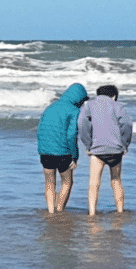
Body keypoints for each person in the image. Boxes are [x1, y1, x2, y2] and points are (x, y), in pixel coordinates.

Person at [78, 85, 133, 216]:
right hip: (115, 149)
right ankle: (120, 211)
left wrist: (88, 144)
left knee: (94, 183)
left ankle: (92, 212)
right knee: (116, 180)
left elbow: (82, 124)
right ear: (113, 96)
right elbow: (127, 124)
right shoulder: (118, 106)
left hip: (97, 150)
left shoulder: (89, 105)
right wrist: (124, 144)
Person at [36, 83, 89, 213]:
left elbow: (40, 129)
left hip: (45, 151)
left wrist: (42, 149)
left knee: (49, 183)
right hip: (63, 153)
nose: (82, 104)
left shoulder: (51, 107)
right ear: (78, 99)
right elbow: (71, 135)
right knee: (67, 182)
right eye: (82, 101)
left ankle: (50, 211)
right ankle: (59, 210)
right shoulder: (74, 111)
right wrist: (74, 156)